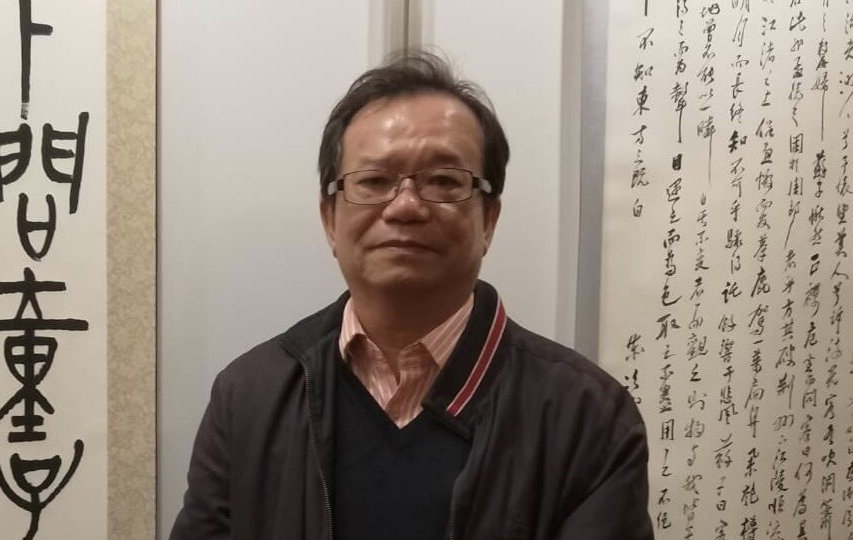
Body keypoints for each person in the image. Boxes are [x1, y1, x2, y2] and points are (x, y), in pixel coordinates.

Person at [170, 50, 653, 540]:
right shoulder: (249, 396)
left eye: (443, 181)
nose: (404, 207)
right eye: (374, 181)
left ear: (488, 220)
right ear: (330, 219)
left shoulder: (588, 415)